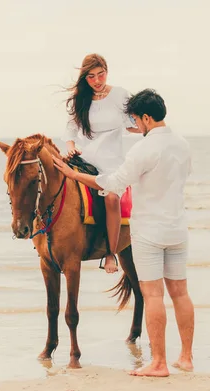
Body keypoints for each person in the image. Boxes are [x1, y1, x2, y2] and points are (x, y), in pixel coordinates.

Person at [53, 89, 195, 377]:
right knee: (180, 293)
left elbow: (114, 183)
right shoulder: (182, 144)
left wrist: (73, 175)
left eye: (135, 119)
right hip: (178, 228)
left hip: (150, 231)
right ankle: (186, 357)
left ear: (145, 117)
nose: (134, 125)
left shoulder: (143, 149)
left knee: (153, 295)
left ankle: (158, 363)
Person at [63, 53, 141, 273]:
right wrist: (70, 148)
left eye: (101, 74)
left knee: (112, 198)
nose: (97, 81)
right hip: (84, 156)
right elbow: (70, 129)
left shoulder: (120, 95)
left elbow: (132, 124)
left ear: (107, 71)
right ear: (84, 78)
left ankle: (110, 253)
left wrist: (147, 126)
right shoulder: (81, 99)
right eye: (91, 77)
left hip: (111, 159)